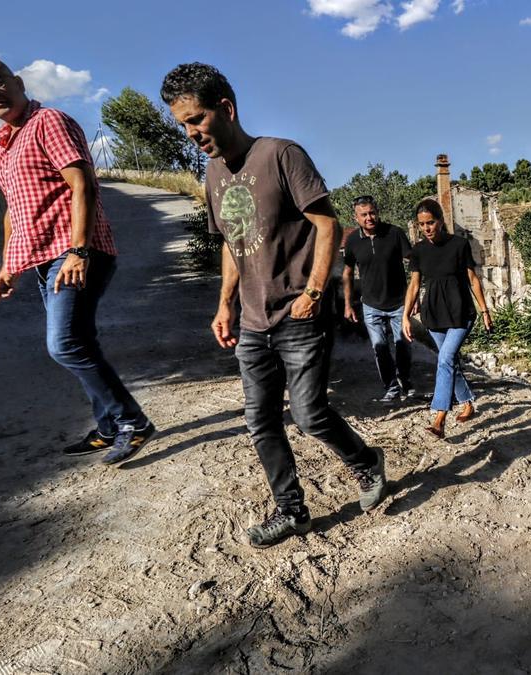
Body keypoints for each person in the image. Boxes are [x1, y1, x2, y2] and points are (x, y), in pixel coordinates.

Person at [161, 62, 386, 549]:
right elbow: (230, 242)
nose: (192, 132)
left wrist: (313, 292)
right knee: (259, 420)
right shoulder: (213, 172)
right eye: (183, 124)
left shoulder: (281, 154)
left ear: (227, 108)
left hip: (299, 315)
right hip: (253, 320)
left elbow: (327, 224)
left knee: (308, 415)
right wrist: (224, 306)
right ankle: (292, 511)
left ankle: (366, 462)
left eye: (197, 119)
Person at [0, 56, 155, 465]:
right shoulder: (6, 142)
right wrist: (8, 263)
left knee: (65, 344)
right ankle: (108, 427)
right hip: (43, 259)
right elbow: (13, 208)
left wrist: (78, 250)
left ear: (16, 81)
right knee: (79, 341)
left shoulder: (48, 121)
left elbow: (82, 183)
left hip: (73, 254)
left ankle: (131, 423)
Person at [401, 198, 494, 439]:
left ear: (441, 221)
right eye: (422, 224)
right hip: (434, 314)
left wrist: (485, 311)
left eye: (430, 222)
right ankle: (468, 402)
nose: (427, 228)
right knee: (448, 360)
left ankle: (440, 416)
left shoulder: (459, 245)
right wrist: (405, 316)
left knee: (444, 359)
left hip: (461, 312)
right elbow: (414, 285)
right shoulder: (419, 250)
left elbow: (473, 279)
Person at [341, 196, 416, 403]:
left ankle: (405, 380)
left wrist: (414, 295)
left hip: (399, 302)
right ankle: (391, 388)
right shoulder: (353, 241)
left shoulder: (394, 233)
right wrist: (348, 304)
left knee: (403, 344)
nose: (369, 218)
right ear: (355, 217)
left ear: (377, 212)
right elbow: (347, 273)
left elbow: (414, 263)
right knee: (379, 348)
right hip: (371, 305)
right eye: (363, 214)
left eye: (372, 213)